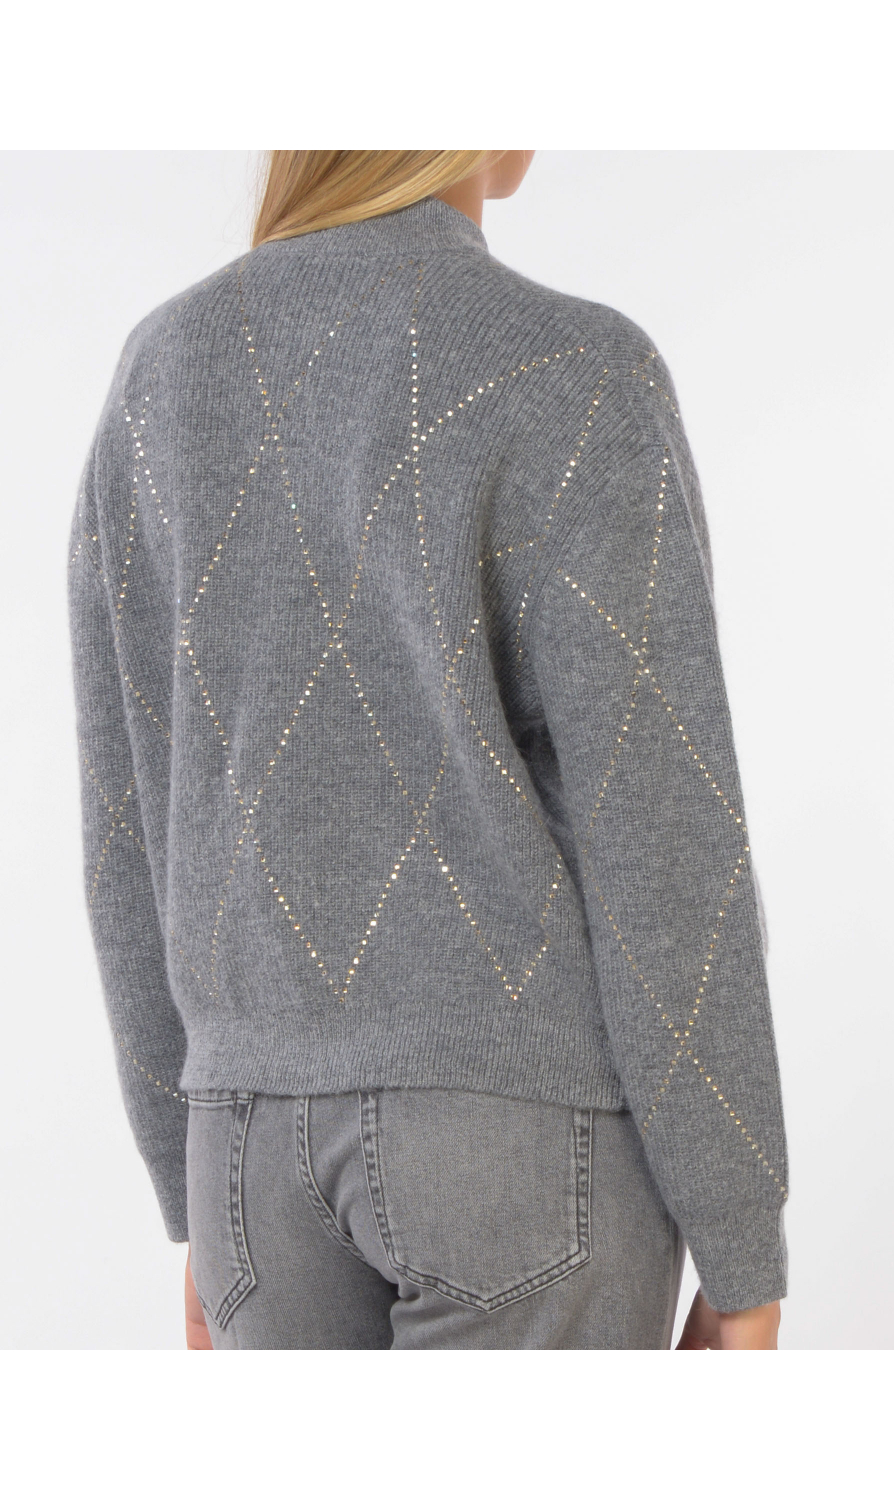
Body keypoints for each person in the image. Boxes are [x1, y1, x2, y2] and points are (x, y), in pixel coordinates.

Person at [68, 150, 788, 1350]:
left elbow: (126, 813)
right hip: (519, 1141)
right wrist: (742, 1240)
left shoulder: (162, 369)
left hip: (248, 1151)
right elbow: (665, 839)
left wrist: (187, 1180)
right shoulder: (578, 368)